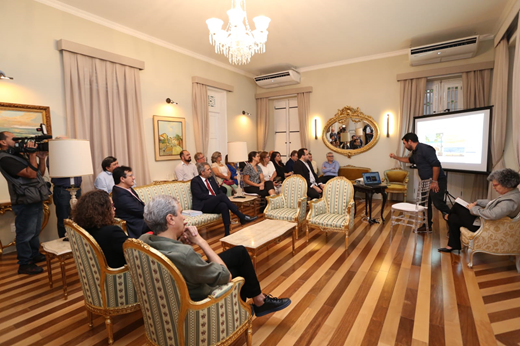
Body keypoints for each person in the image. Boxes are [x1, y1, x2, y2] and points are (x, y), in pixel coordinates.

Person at [140, 195, 291, 316]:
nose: (184, 218)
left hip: (177, 289)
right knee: (238, 273)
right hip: (199, 300)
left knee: (239, 252)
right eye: (180, 213)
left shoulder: (143, 241)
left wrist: (179, 240)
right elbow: (225, 276)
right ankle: (244, 308)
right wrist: (200, 241)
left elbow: (175, 254)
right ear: (170, 219)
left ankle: (259, 300)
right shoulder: (184, 254)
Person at [0, 131, 51, 274]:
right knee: (25, 233)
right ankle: (25, 263)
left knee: (34, 231)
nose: (17, 140)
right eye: (13, 138)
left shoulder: (18, 156)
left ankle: (34, 255)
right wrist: (32, 154)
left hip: (34, 198)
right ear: (3, 142)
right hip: (24, 201)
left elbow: (38, 174)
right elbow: (30, 174)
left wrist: (41, 158)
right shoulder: (5, 159)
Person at [438, 169, 520, 253]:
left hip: (485, 228)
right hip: (486, 224)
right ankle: (452, 245)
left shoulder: (510, 201)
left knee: (458, 206)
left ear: (507, 185)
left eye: (495, 185)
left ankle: (447, 216)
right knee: (453, 218)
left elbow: (492, 214)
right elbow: (493, 203)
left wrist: (473, 209)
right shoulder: (511, 194)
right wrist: (477, 202)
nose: (493, 187)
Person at [390, 132, 451, 231]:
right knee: (425, 205)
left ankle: (454, 226)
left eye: (405, 143)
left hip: (436, 181)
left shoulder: (425, 149)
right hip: (426, 182)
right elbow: (409, 160)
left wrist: (434, 181)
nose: (405, 146)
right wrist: (396, 157)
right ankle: (427, 226)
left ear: (410, 141)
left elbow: (436, 164)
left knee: (438, 204)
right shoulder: (415, 152)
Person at [191, 162, 257, 236]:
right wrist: (216, 198)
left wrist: (217, 198)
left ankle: (227, 233)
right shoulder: (195, 181)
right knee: (221, 196)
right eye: (208, 170)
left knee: (223, 205)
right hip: (203, 205)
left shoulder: (211, 179)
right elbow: (200, 196)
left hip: (212, 203)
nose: (210, 171)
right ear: (202, 172)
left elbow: (218, 190)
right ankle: (241, 216)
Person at [72, 190, 128, 268]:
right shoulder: (112, 232)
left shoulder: (82, 229)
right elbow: (134, 254)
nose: (114, 208)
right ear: (103, 210)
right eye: (112, 206)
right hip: (120, 274)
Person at [49, 137, 82, 238]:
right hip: (63, 190)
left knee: (78, 216)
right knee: (64, 218)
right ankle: (64, 239)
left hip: (77, 189)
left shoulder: (73, 155)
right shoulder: (53, 156)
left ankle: (78, 239)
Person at [111, 166, 149, 238]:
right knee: (164, 220)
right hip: (136, 225)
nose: (133, 177)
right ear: (122, 179)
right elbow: (141, 211)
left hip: (141, 219)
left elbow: (140, 204)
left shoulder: (126, 189)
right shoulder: (121, 195)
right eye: (130, 175)